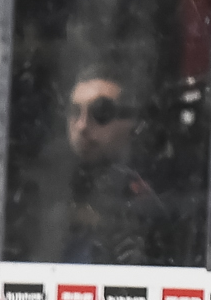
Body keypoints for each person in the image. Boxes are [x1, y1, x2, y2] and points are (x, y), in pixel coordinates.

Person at [56, 62, 165, 265]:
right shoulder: (49, 187)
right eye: (74, 111)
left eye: (100, 113)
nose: (82, 125)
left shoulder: (153, 196)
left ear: (134, 121)